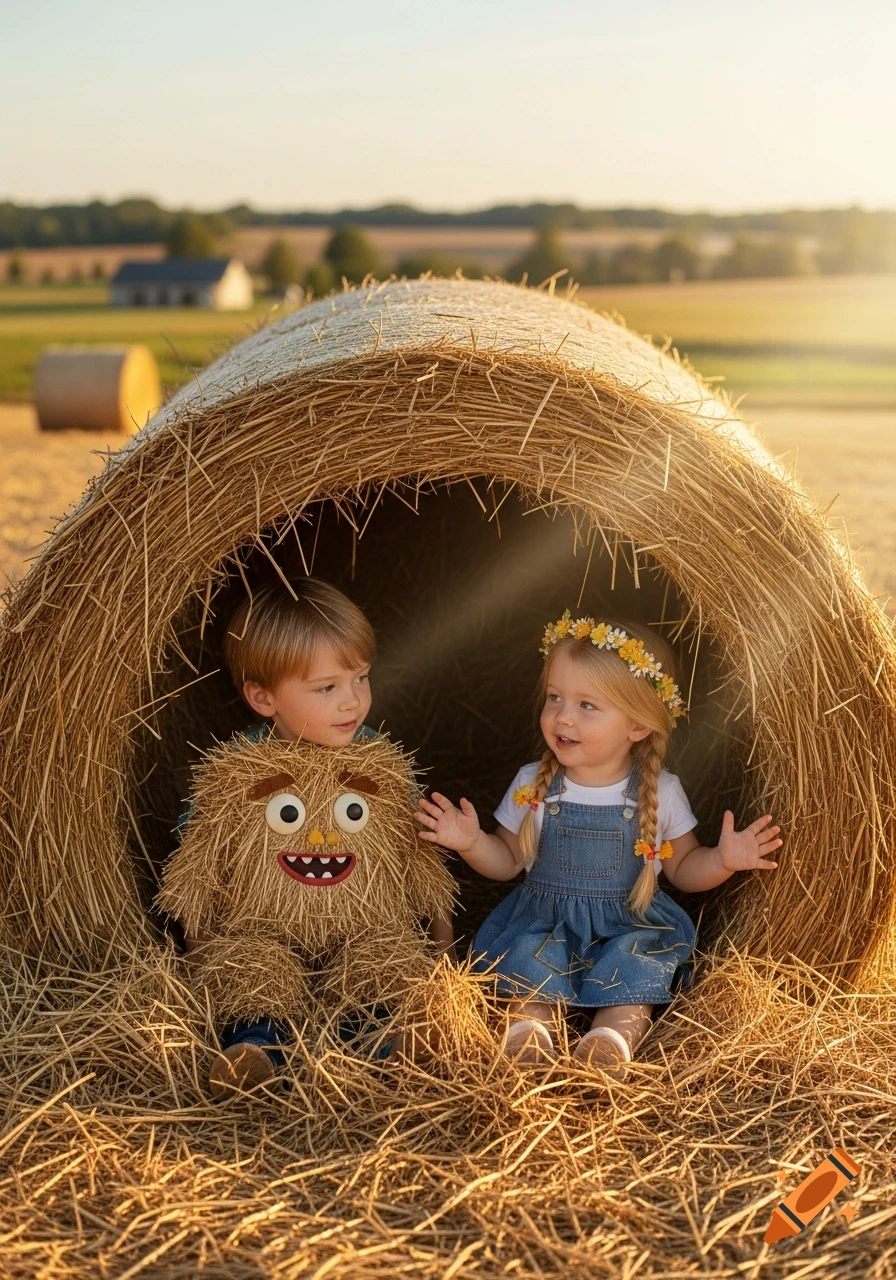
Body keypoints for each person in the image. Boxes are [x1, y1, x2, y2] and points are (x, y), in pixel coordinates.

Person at [415, 610, 781, 1080]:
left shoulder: (660, 791)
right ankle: (528, 1035)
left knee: (633, 971)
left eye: (588, 705)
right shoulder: (534, 784)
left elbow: (685, 869)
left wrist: (724, 860)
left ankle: (610, 1042)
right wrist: (470, 842)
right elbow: (507, 862)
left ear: (638, 725)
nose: (563, 716)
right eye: (555, 698)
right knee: (528, 965)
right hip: (547, 920)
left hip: (628, 919)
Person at [181, 577, 454, 1095]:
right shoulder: (237, 772)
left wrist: (442, 953)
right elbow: (199, 864)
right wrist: (200, 957)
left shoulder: (382, 762)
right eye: (327, 688)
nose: (352, 702)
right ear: (264, 698)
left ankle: (379, 1048)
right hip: (265, 931)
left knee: (378, 967)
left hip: (362, 929)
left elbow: (419, 860)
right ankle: (255, 1049)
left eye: (361, 678)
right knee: (254, 974)